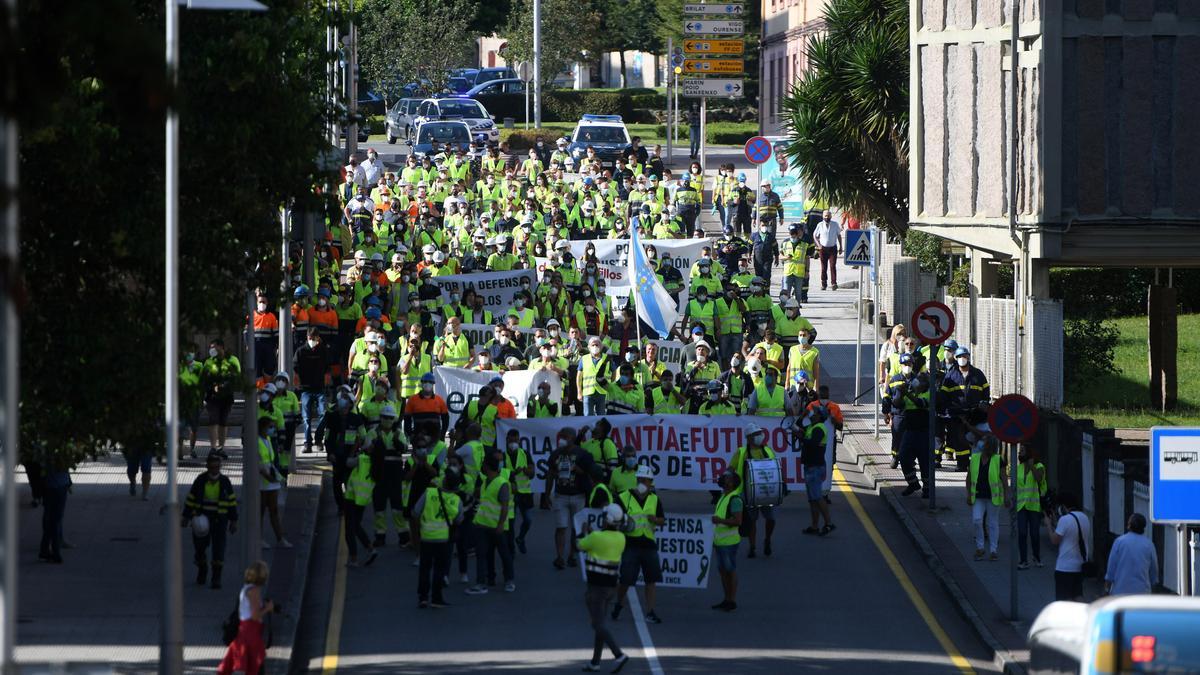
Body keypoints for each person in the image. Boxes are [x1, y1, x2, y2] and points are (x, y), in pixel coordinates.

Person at [577, 503, 631, 673]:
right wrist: (592, 534)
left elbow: (579, 544)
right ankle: (595, 662)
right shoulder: (621, 538)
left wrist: (584, 532)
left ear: (606, 519)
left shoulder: (596, 537)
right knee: (601, 623)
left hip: (596, 588)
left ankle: (619, 654)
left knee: (597, 624)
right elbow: (601, 542)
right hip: (610, 588)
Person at [611, 464, 665, 624]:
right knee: (626, 579)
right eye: (640, 479)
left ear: (651, 482)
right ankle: (619, 604)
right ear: (637, 480)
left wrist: (656, 520)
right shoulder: (623, 497)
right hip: (630, 545)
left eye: (646, 480)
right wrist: (622, 523)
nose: (643, 482)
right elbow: (613, 518)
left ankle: (650, 612)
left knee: (651, 579)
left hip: (649, 545)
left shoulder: (655, 499)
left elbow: (662, 519)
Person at [182, 453, 238, 588]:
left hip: (219, 520)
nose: (214, 470)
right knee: (199, 547)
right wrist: (186, 516)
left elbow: (231, 502)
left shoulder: (225, 482)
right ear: (207, 467)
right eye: (212, 468)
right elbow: (191, 499)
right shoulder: (200, 480)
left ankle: (216, 577)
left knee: (218, 549)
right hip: (201, 519)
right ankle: (202, 568)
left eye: (217, 468)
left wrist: (233, 520)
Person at [465, 455, 515, 594]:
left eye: (483, 464)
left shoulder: (502, 483)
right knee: (482, 554)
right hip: (482, 525)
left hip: (497, 527)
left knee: (504, 554)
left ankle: (509, 580)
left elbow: (505, 506)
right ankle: (481, 583)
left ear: (487, 466)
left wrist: (500, 525)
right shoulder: (485, 482)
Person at [413, 471, 464, 608]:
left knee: (425, 568)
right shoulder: (457, 500)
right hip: (444, 539)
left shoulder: (429, 493)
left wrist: (419, 529)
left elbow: (416, 512)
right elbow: (459, 520)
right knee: (439, 569)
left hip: (426, 537)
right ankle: (436, 597)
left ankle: (423, 597)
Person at [546, 428, 596, 570]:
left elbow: (589, 473)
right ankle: (560, 557)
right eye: (560, 436)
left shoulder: (582, 454)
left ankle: (572, 555)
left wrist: (577, 469)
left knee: (576, 528)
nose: (562, 439)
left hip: (578, 496)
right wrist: (546, 493)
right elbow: (550, 474)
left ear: (573, 438)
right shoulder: (555, 454)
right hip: (560, 496)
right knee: (561, 527)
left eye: (565, 436)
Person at [217, 561, 274, 675]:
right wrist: (268, 608)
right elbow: (255, 615)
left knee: (247, 663)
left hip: (244, 630)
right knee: (256, 661)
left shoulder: (245, 589)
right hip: (251, 631)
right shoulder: (254, 591)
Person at [729, 423, 776, 557]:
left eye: (759, 434)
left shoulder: (768, 450)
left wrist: (782, 484)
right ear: (749, 438)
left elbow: (776, 468)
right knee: (752, 521)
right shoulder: (741, 452)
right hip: (748, 492)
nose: (759, 436)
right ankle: (753, 547)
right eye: (756, 434)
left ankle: (767, 539)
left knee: (771, 519)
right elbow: (730, 469)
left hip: (767, 491)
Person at [342, 422, 380, 567]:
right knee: (356, 526)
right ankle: (371, 549)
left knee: (349, 530)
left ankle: (353, 558)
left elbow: (348, 462)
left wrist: (354, 447)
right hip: (363, 500)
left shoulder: (362, 459)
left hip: (351, 497)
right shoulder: (377, 463)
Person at [967, 436, 1008, 561]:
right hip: (977, 496)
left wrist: (1006, 496)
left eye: (985, 442)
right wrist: (968, 494)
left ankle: (993, 550)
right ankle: (980, 548)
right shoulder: (974, 458)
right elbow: (968, 478)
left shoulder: (998, 459)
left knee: (992, 523)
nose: (983, 445)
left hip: (993, 497)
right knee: (977, 520)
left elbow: (1004, 478)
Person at [1046, 492, 1091, 601]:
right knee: (1078, 595)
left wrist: (1048, 524)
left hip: (1065, 567)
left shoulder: (1065, 520)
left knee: (1064, 599)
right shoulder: (1085, 517)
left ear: (1063, 506)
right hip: (1080, 564)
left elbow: (1054, 540)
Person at [294, 327, 332, 453]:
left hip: (320, 388)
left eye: (313, 338)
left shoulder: (323, 351)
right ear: (307, 337)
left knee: (323, 414)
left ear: (318, 338)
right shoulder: (300, 351)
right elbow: (295, 368)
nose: (311, 340)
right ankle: (307, 443)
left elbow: (328, 368)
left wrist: (327, 383)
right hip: (306, 389)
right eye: (309, 338)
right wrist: (297, 384)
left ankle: (319, 439)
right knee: (306, 418)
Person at [256, 417, 292, 550]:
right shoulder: (256, 441)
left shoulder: (268, 440)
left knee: (274, 510)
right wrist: (268, 477)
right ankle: (258, 539)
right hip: (262, 479)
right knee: (260, 511)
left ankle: (280, 538)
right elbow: (258, 462)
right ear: (262, 427)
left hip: (270, 477)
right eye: (270, 427)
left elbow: (270, 460)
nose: (272, 430)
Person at [799, 407, 835, 535]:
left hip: (815, 467)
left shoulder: (819, 428)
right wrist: (803, 415)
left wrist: (801, 438)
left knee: (818, 497)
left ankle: (829, 523)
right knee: (812, 499)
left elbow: (813, 443)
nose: (811, 413)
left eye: (814, 412)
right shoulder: (811, 427)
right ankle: (814, 526)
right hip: (810, 466)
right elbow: (798, 426)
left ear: (819, 416)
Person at [203, 338, 241, 458]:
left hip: (226, 395)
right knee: (213, 420)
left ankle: (221, 447)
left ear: (221, 347)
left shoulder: (232, 360)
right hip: (212, 396)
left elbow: (237, 377)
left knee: (223, 422)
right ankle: (213, 447)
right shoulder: (209, 361)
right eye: (210, 347)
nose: (211, 350)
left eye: (214, 347)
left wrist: (224, 385)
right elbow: (204, 378)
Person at [712, 471, 743, 611]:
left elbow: (737, 521)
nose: (724, 479)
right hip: (720, 541)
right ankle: (727, 599)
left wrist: (720, 521)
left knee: (730, 570)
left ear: (732, 484)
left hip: (729, 542)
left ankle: (731, 600)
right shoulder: (723, 497)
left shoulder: (734, 499)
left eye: (727, 478)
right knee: (723, 571)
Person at [1104, 513, 1158, 595]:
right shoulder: (1149, 544)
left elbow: (1111, 567)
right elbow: (1153, 571)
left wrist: (1107, 588)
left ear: (1129, 526)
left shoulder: (1119, 542)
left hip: (1120, 592)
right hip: (1142, 593)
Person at [1015, 445, 1047, 570]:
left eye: (1022, 451)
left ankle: (1036, 557)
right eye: (1019, 451)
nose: (1019, 453)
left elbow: (1038, 479)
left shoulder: (1040, 467)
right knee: (1022, 533)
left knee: (1034, 534)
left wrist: (1031, 465)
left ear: (1029, 452)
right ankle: (1023, 560)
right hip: (1021, 505)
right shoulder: (1019, 468)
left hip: (1034, 506)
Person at [38, 463, 71, 564]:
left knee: (52, 520)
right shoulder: (56, 452)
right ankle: (55, 552)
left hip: (52, 485)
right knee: (55, 520)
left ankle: (45, 550)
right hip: (58, 485)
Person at [813, 210, 842, 291]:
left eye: (828, 216)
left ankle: (834, 283)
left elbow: (839, 235)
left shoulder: (835, 224)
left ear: (831, 216)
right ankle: (824, 283)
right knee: (823, 267)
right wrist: (818, 245)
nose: (827, 217)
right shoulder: (820, 225)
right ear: (823, 216)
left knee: (833, 266)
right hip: (823, 249)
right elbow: (815, 235)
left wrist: (841, 247)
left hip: (833, 248)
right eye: (825, 216)